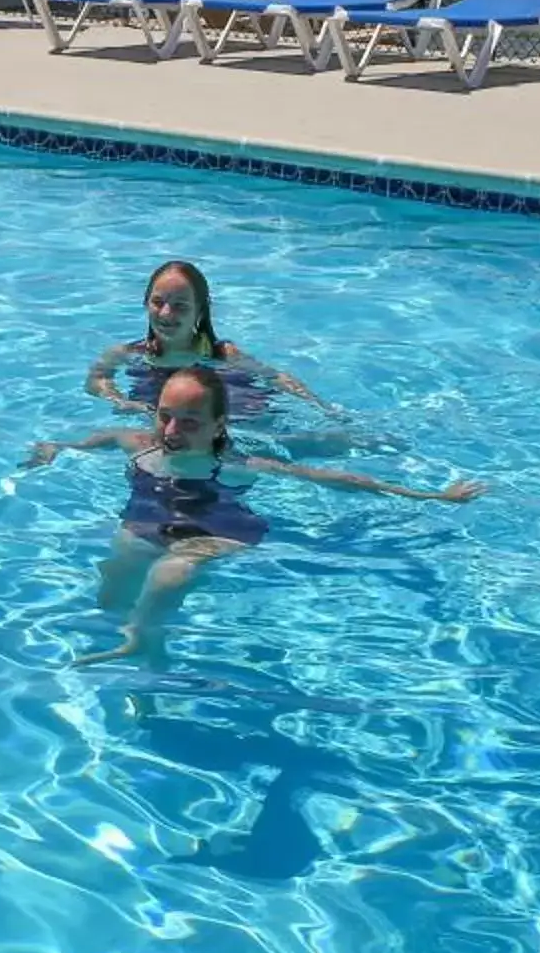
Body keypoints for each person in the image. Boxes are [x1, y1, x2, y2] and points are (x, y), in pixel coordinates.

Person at [27, 365, 485, 666]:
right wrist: (55, 449)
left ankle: (145, 644)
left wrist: (433, 496)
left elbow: (335, 479)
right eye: (164, 417)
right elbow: (95, 440)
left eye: (188, 421)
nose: (170, 431)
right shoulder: (138, 445)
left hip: (217, 531)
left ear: (217, 426)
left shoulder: (236, 466)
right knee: (119, 568)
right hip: (151, 521)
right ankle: (127, 632)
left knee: (172, 574)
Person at [85, 260, 332, 420]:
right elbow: (96, 379)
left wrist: (322, 408)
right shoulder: (128, 354)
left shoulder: (222, 354)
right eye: (158, 302)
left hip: (240, 417)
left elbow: (276, 377)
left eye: (180, 306)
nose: (166, 314)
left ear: (200, 311)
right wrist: (118, 399)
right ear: (145, 303)